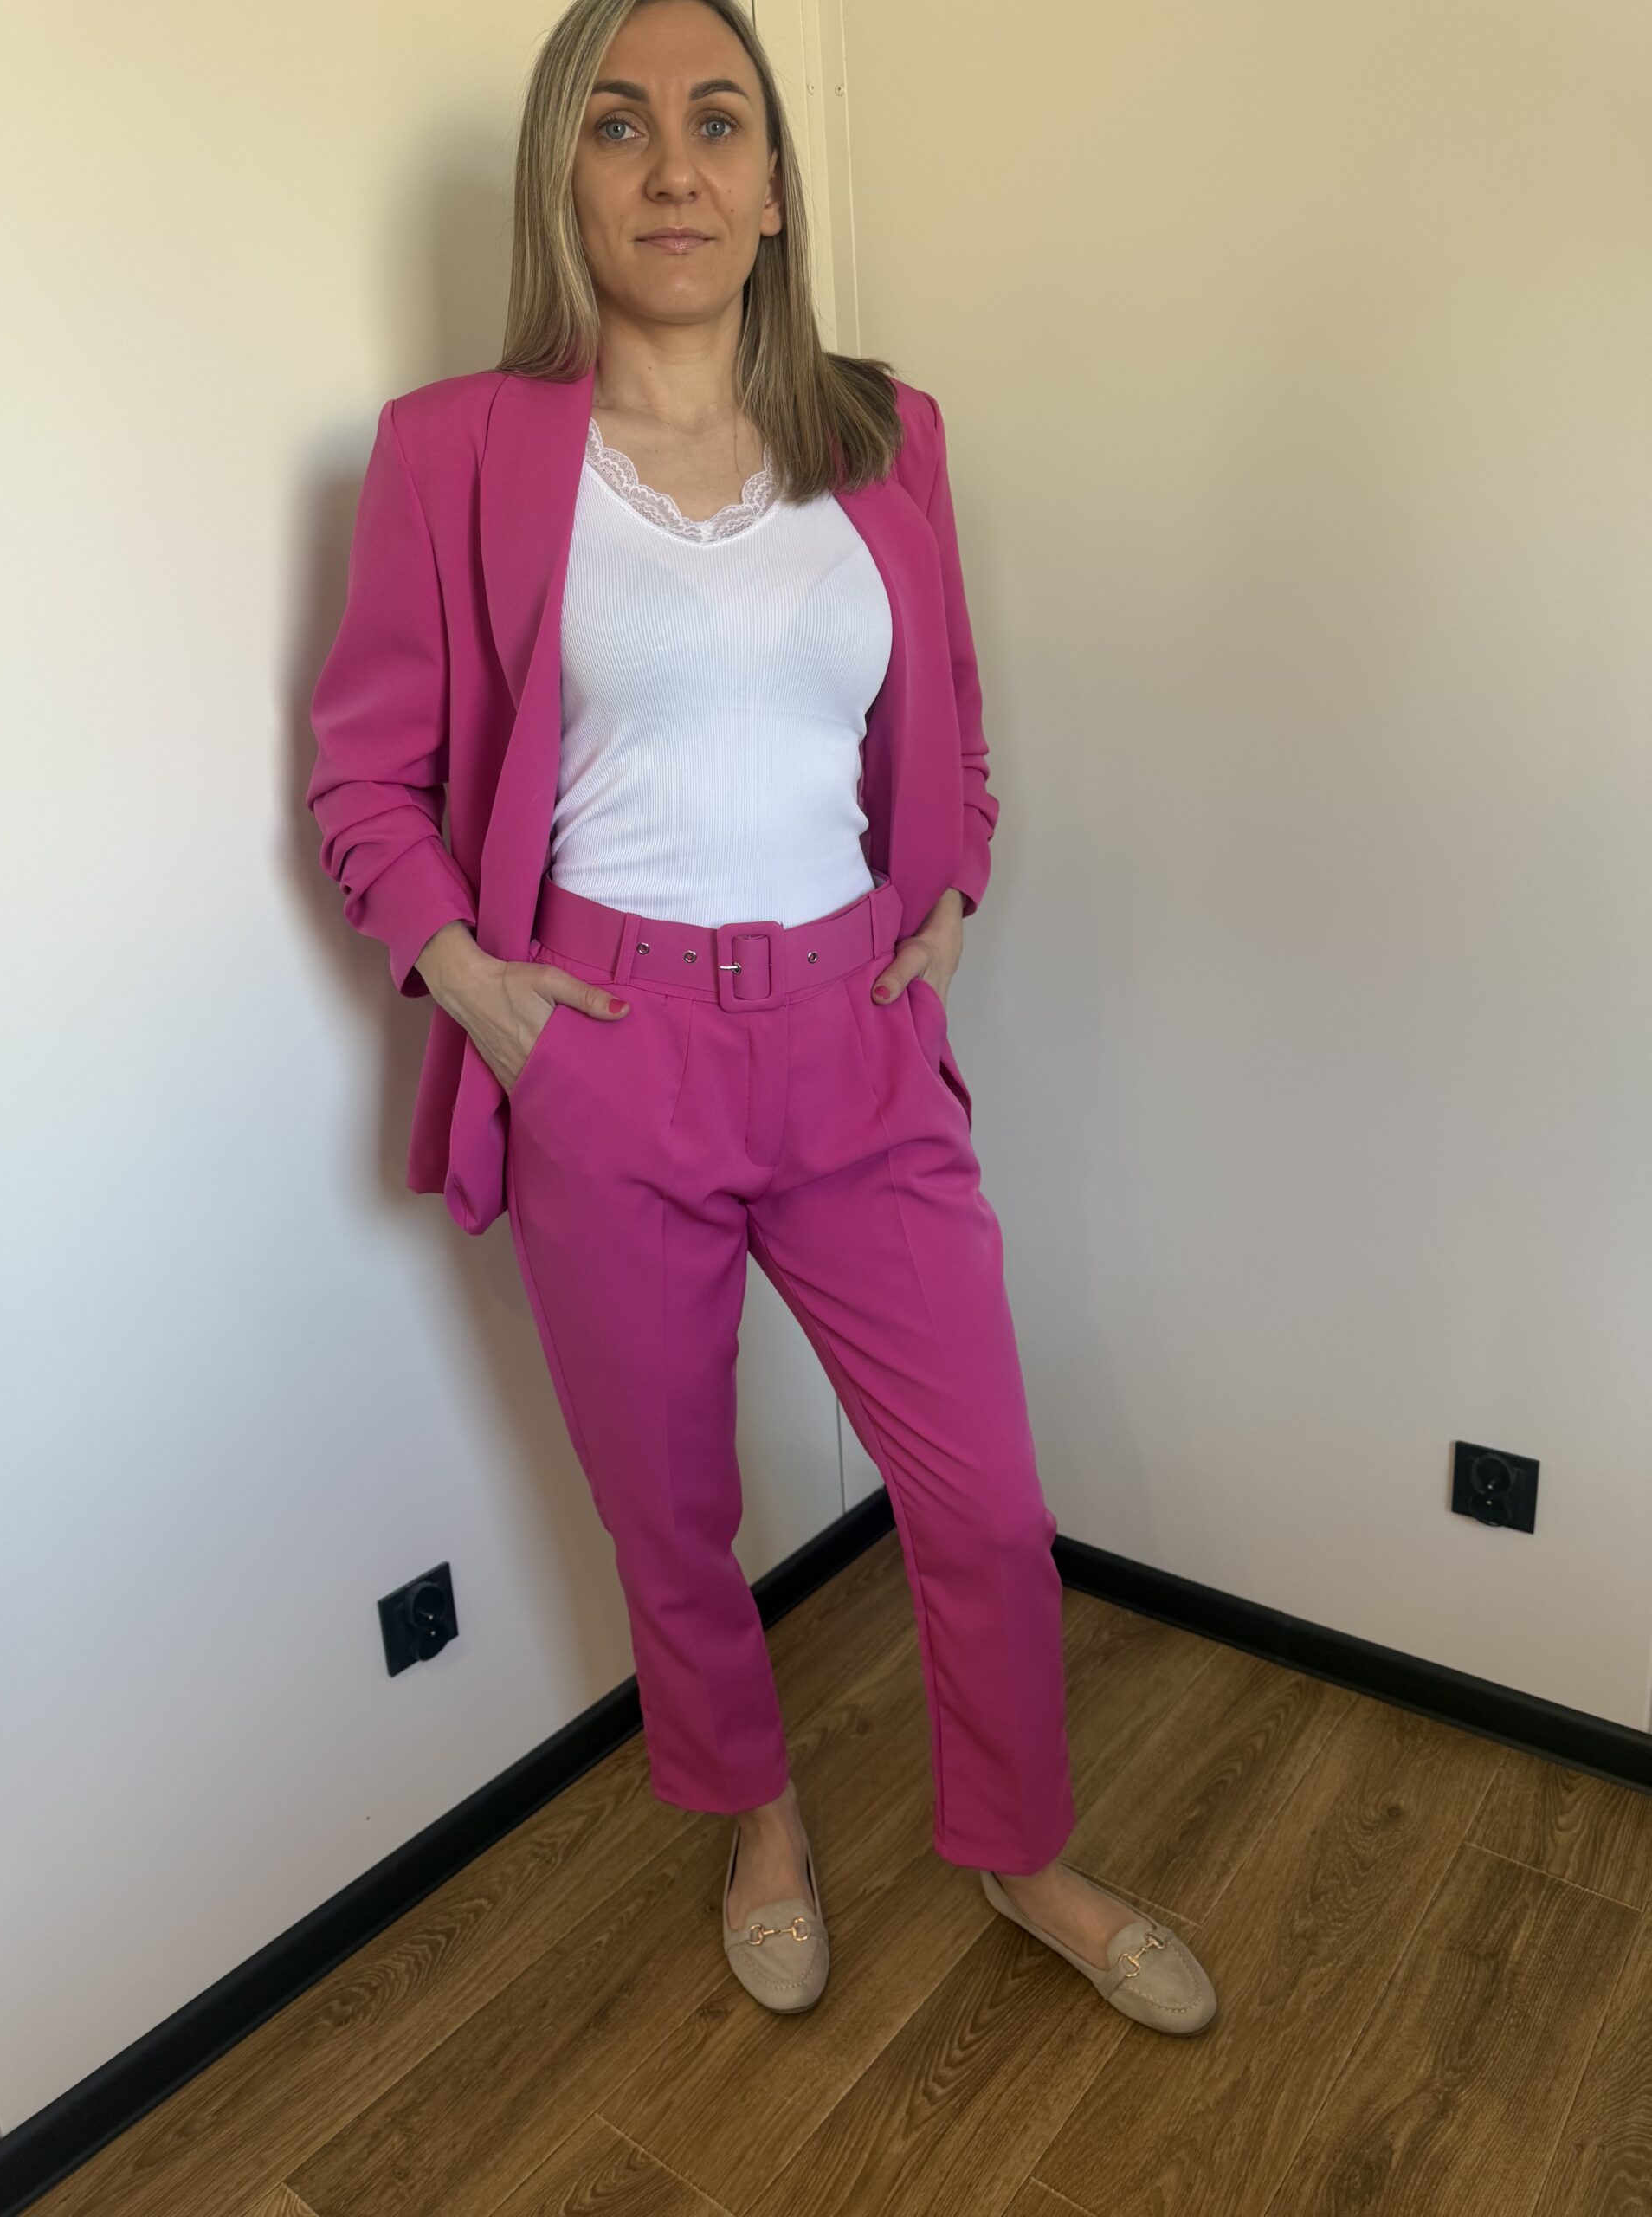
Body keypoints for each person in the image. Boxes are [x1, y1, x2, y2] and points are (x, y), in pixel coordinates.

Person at [306, 0, 1216, 2034]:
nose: (676, 168)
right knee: (672, 1512)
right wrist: (474, 981)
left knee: (981, 1497)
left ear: (778, 183)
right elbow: (364, 775)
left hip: (852, 1045)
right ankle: (759, 1820)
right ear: (566, 176)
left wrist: (948, 891)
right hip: (605, 1054)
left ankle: (1022, 1848)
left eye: (720, 122)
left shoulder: (886, 434)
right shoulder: (458, 452)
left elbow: (949, 726)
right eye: (620, 126)